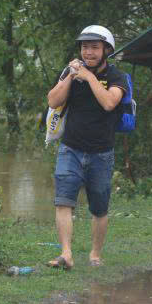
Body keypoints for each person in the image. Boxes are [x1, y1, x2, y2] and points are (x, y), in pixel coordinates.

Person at [45, 24, 128, 270]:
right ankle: (66, 254)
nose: (88, 52)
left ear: (106, 50)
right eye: (84, 47)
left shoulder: (116, 77)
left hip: (102, 153)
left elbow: (109, 103)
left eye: (94, 47)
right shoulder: (71, 73)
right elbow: (53, 100)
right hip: (70, 148)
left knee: (99, 208)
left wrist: (90, 77)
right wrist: (71, 75)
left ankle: (95, 254)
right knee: (63, 201)